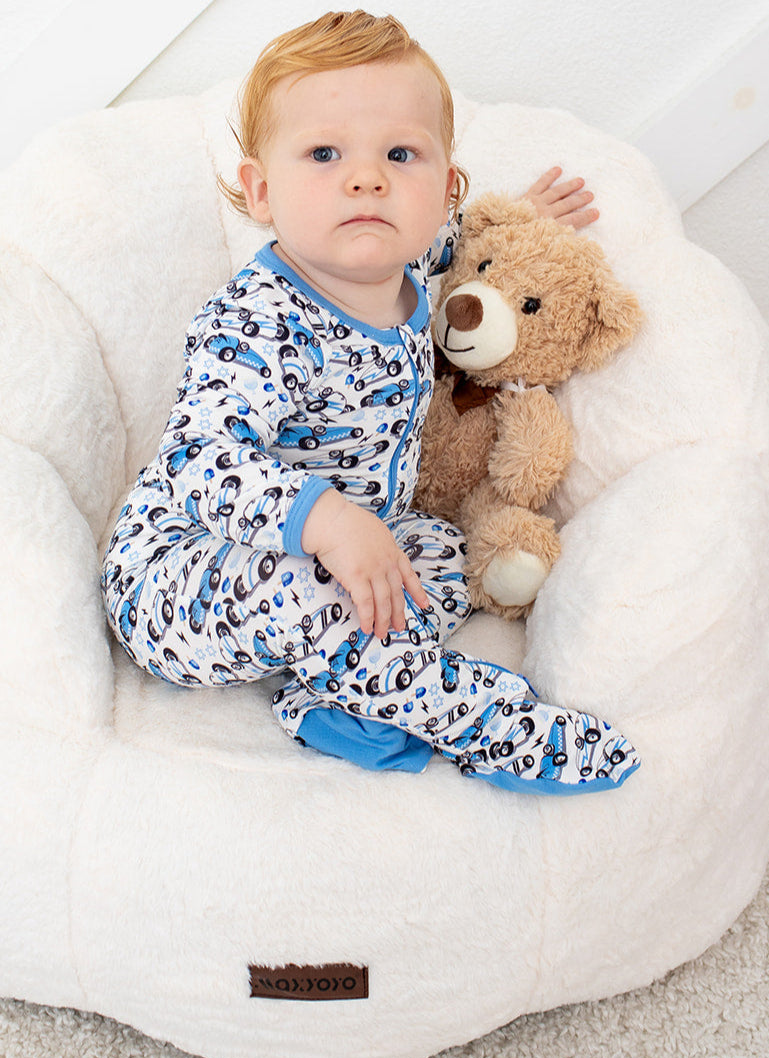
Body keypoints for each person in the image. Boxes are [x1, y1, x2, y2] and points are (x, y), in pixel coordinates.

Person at [102, 10, 638, 793]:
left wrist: (522, 227)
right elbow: (199, 461)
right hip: (185, 570)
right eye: (323, 153)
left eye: (400, 155)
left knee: (444, 556)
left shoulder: (409, 266)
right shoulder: (256, 319)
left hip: (351, 534)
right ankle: (490, 724)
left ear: (444, 184)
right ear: (260, 190)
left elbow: (457, 240)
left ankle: (327, 701)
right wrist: (328, 520)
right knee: (324, 590)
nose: (366, 178)